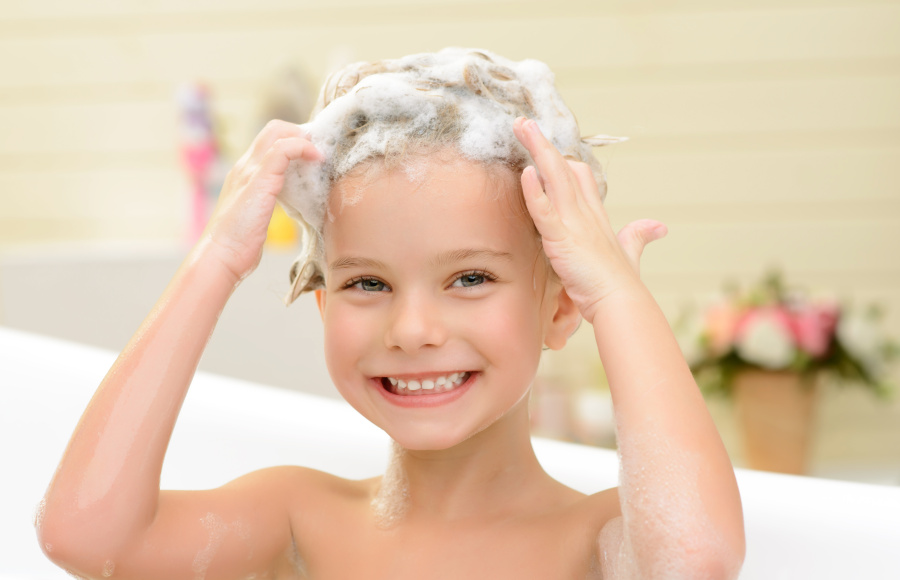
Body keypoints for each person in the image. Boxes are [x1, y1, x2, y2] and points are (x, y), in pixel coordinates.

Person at [36, 48, 745, 579]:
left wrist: (617, 296)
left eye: (470, 277)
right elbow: (85, 536)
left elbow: (693, 559)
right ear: (322, 309)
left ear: (563, 309)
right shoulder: (298, 519)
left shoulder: (590, 540)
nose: (411, 332)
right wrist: (218, 257)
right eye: (367, 284)